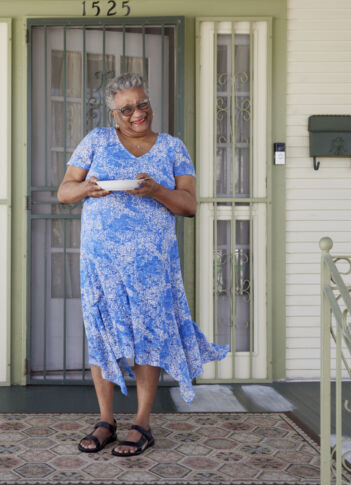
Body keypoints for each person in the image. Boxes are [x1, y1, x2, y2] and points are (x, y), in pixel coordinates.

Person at [57, 72, 228, 457]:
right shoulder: (96, 140)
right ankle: (105, 421)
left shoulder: (172, 148)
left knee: (150, 336)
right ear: (113, 113)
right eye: (128, 108)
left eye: (143, 104)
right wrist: (89, 187)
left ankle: (142, 424)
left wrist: (157, 191)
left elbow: (189, 205)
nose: (138, 113)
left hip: (152, 265)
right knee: (102, 335)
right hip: (102, 262)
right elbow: (64, 191)